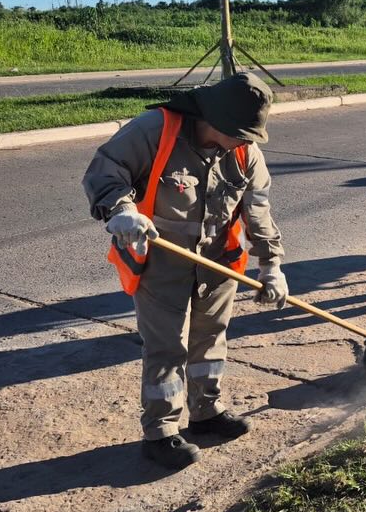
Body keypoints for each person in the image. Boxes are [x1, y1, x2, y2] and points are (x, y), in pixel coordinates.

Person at [83, 72, 288, 470]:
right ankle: (160, 433)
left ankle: (206, 412)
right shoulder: (155, 130)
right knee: (167, 349)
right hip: (162, 262)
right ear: (215, 121)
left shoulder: (245, 152)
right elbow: (106, 169)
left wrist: (271, 265)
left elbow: (258, 210)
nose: (246, 142)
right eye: (240, 134)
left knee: (210, 340)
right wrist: (122, 210)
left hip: (218, 264)